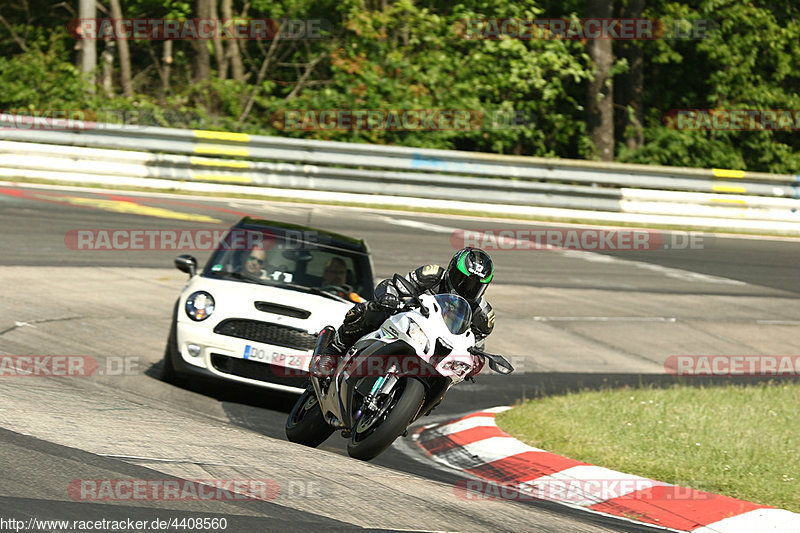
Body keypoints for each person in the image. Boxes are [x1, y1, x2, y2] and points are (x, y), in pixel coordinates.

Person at [314, 247, 495, 376]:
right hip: (408, 322)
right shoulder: (432, 275)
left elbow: (476, 347)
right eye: (462, 280)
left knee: (449, 377)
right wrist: (390, 297)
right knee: (371, 310)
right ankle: (333, 352)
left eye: (474, 286)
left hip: (438, 348)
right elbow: (396, 286)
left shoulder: (483, 315)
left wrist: (475, 362)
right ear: (451, 270)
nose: (466, 288)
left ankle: (412, 409)